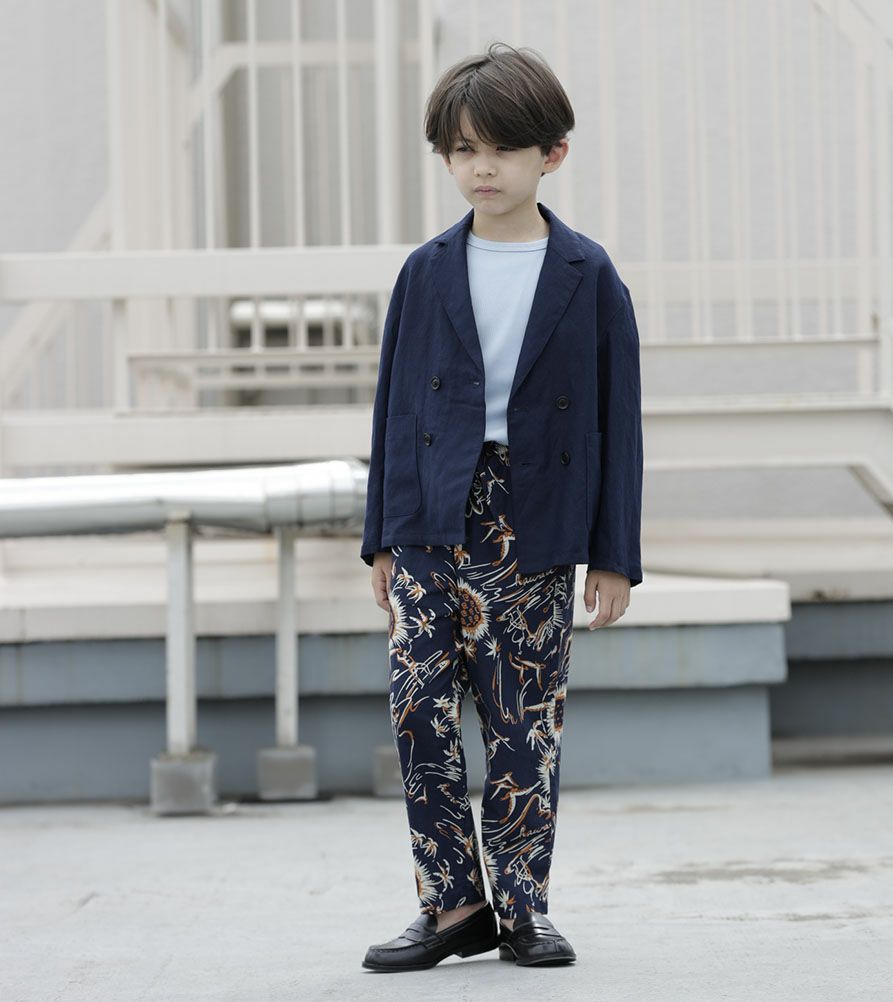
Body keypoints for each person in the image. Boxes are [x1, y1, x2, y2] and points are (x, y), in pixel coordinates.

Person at [359, 40, 643, 972]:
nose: (481, 168)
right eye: (463, 150)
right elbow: (395, 408)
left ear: (551, 154)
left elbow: (617, 421)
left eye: (503, 149)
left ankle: (521, 907)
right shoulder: (426, 270)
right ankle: (451, 907)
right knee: (419, 710)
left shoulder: (586, 273)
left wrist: (614, 552)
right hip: (431, 514)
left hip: (534, 514)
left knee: (524, 718)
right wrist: (381, 537)